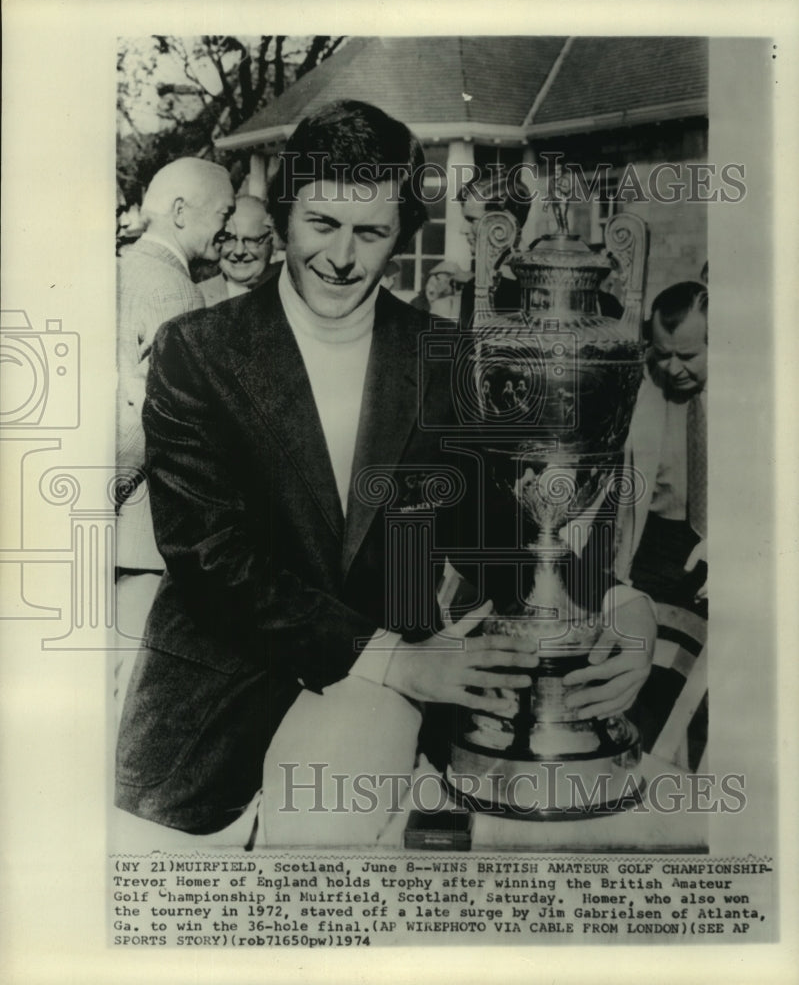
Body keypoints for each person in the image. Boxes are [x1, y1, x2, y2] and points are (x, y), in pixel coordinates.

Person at [115, 100, 654, 846]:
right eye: (321, 224)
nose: (341, 257)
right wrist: (395, 658)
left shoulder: (445, 355)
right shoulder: (195, 350)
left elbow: (496, 534)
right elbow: (210, 557)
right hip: (208, 719)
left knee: (324, 840)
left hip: (372, 701)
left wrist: (617, 602)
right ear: (283, 216)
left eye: (370, 232)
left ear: (402, 234)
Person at [115, 157, 234, 646]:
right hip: (139, 536)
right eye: (224, 214)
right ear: (181, 212)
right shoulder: (179, 294)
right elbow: (148, 420)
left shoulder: (122, 269)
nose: (228, 230)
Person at [615, 281, 708, 616]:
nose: (672, 369)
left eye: (687, 356)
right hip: (654, 545)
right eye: (663, 354)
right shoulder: (641, 379)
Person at [457, 171, 532, 330]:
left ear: (504, 220)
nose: (462, 230)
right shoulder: (474, 288)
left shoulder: (538, 285)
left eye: (472, 220)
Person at [199, 195, 276, 305]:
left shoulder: (290, 295)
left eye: (251, 240)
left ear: (271, 239)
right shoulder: (197, 297)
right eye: (229, 240)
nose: (239, 251)